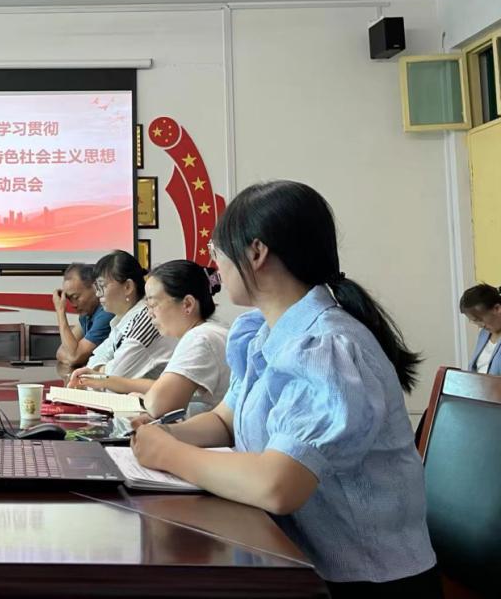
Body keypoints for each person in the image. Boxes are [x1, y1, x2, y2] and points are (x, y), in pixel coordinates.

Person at [131, 181, 439, 597]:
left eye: (216, 250)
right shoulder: (264, 332)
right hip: (294, 563)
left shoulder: (326, 346)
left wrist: (169, 454)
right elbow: (226, 420)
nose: (213, 263)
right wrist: (164, 434)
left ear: (256, 253)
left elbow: (278, 485)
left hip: (365, 582)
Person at [72, 260, 229, 419]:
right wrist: (103, 380)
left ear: (187, 304)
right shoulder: (208, 331)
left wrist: (141, 399)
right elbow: (162, 386)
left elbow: (158, 405)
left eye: (153, 304)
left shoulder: (199, 338)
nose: (149, 314)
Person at [66, 250, 175, 384]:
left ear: (128, 287)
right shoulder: (121, 320)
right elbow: (94, 360)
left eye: (102, 286)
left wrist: (100, 371)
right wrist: (101, 371)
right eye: (96, 288)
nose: (98, 294)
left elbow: (115, 377)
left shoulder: (147, 318)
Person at [52, 262, 114, 366]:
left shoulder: (106, 312)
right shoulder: (86, 314)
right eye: (69, 299)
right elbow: (61, 351)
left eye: (75, 297)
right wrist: (72, 358)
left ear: (95, 288)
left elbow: (74, 356)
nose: (73, 305)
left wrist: (60, 310)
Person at [458, 283, 501, 374]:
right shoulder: (484, 334)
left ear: (497, 308)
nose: (480, 325)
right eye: (475, 321)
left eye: (480, 319)